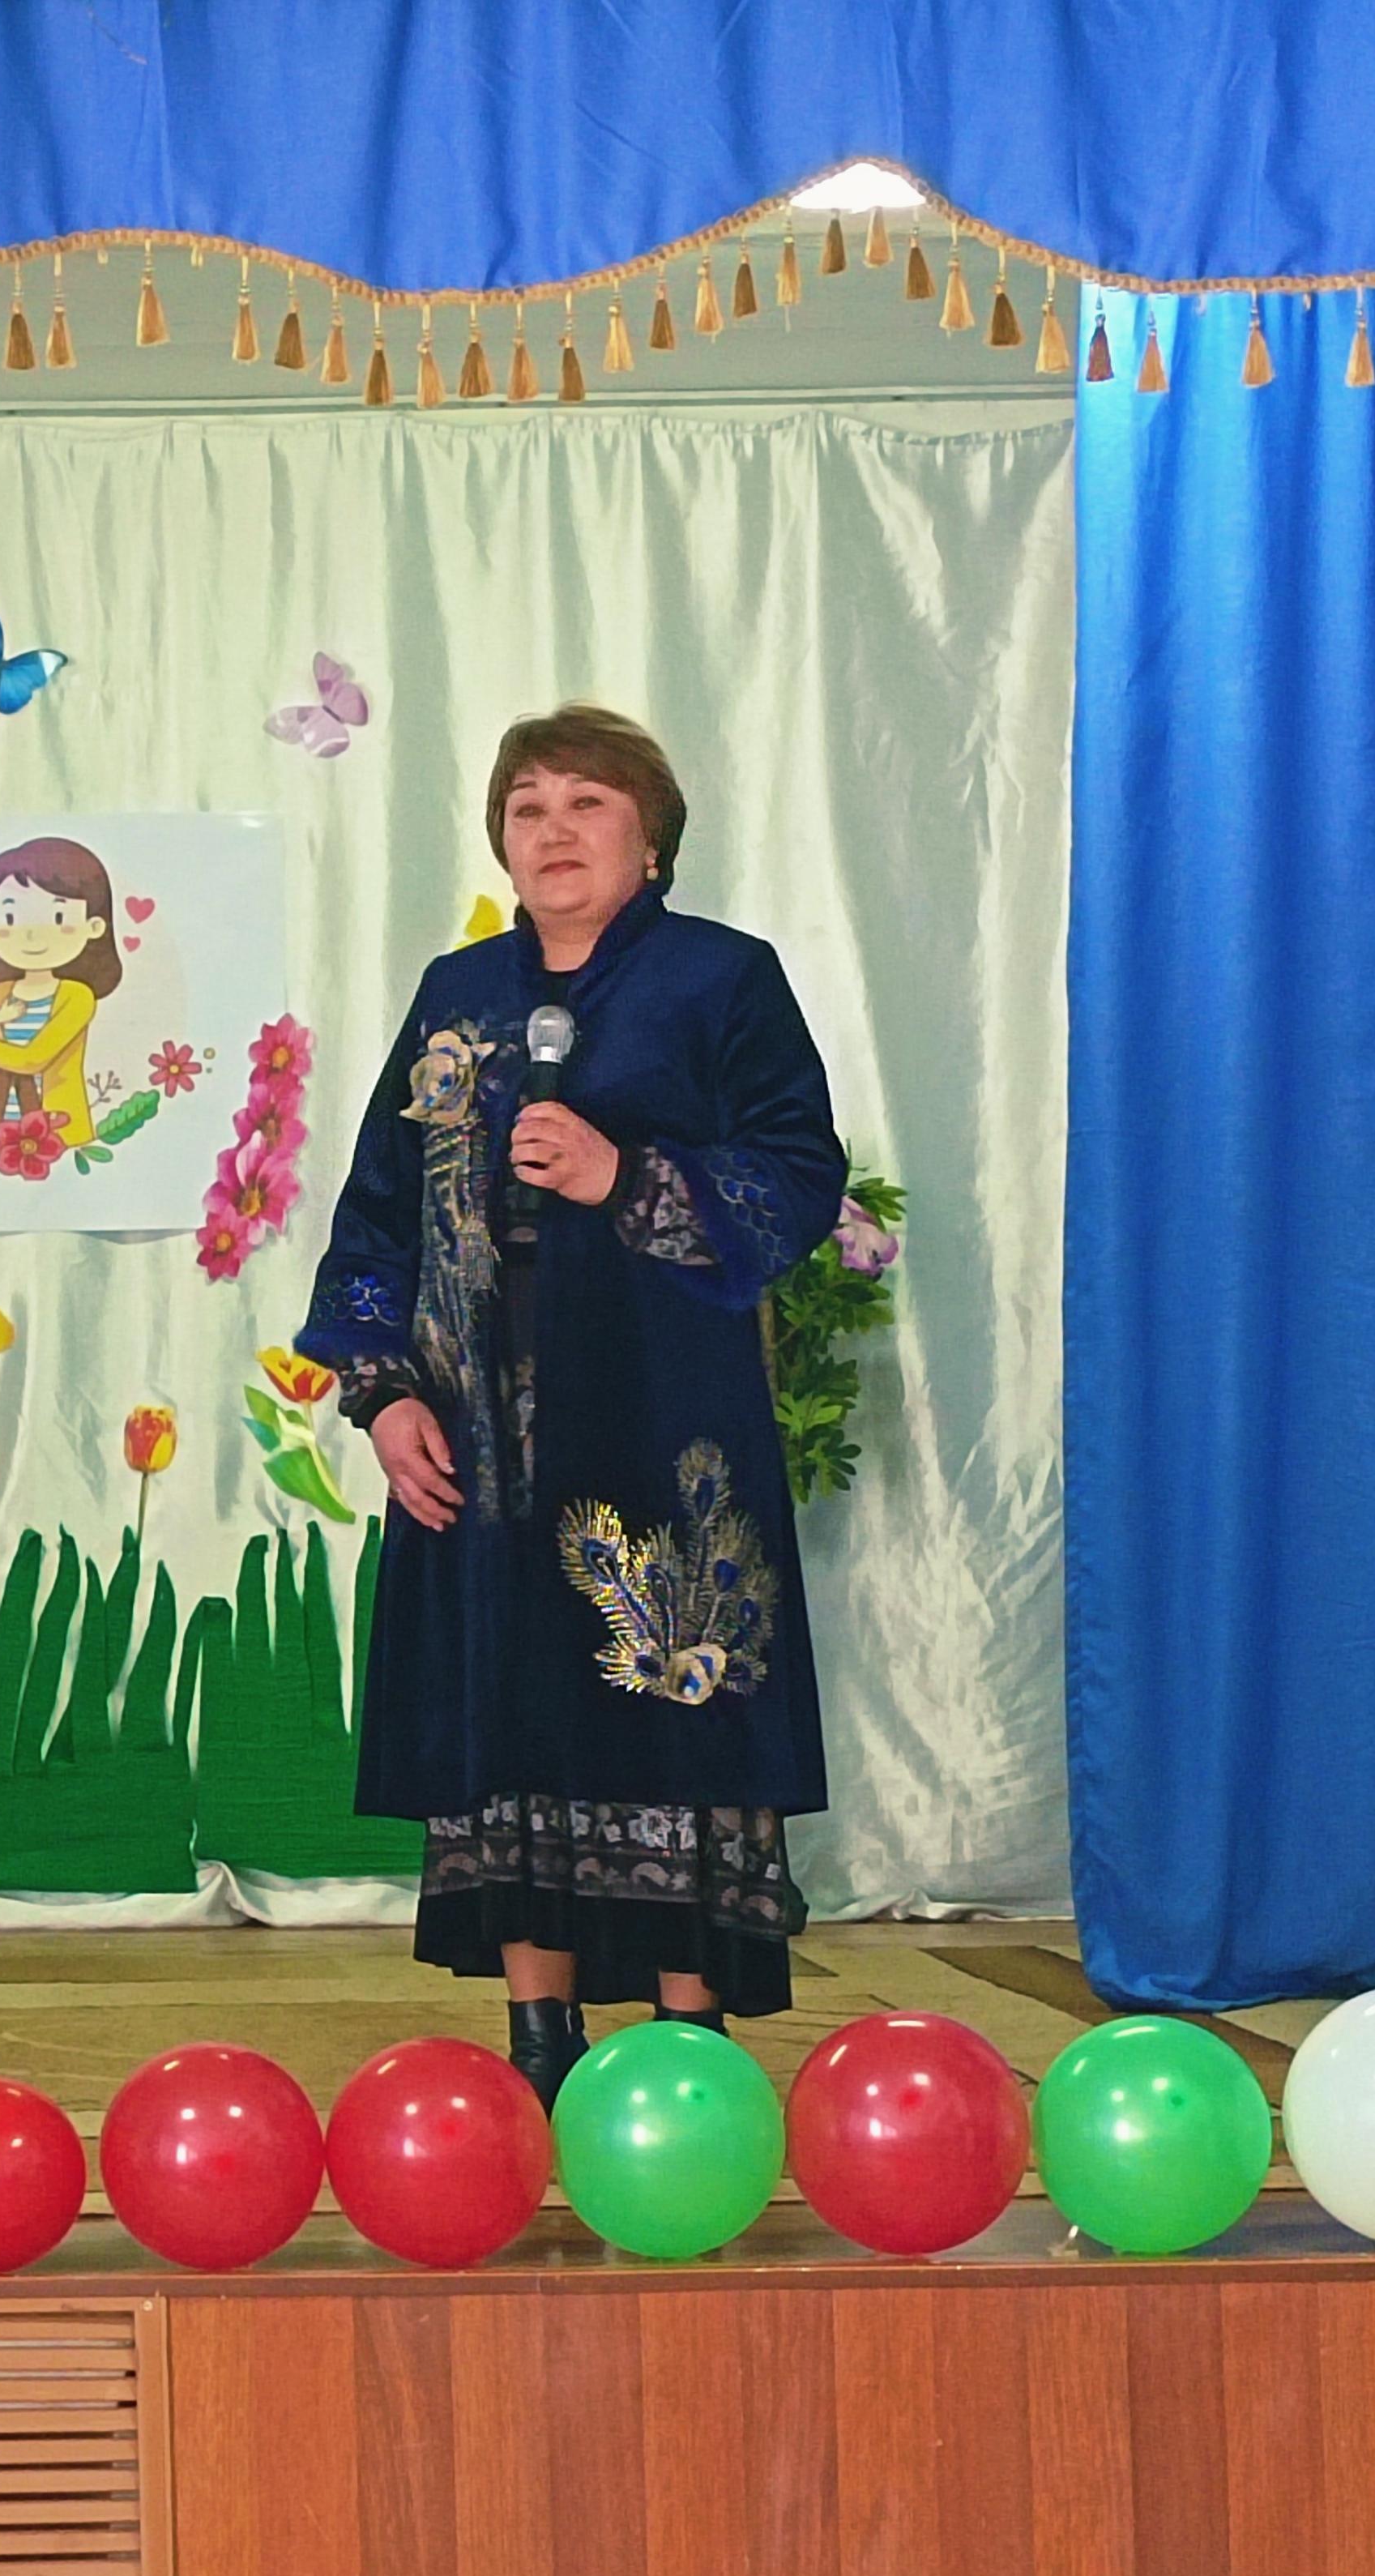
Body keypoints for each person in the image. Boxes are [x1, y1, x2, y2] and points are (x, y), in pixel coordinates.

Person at [293, 707, 847, 2105]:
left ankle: (683, 2048)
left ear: (651, 838)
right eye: (526, 805)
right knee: (508, 1716)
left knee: (666, 1697)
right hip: (477, 1424)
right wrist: (384, 1399)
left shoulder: (720, 979)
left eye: (586, 803)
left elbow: (797, 1175)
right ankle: (537, 2038)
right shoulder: (458, 990)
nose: (552, 829)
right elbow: (377, 1210)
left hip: (659, 1411)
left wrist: (626, 1178)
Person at [0, 835, 123, 1150]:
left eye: (57, 918)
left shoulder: (77, 997)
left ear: (93, 926)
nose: (30, 935)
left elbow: (32, 1059)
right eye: (11, 918)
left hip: (59, 1136)